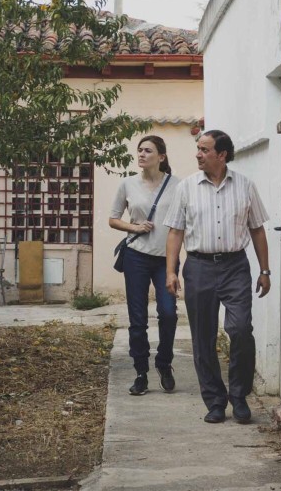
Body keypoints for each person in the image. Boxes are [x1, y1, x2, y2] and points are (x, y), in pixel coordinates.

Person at [163, 130, 271, 424]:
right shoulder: (186, 188)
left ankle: (239, 397)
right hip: (199, 267)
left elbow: (257, 229)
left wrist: (264, 270)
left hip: (235, 265)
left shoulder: (245, 186)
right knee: (203, 337)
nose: (198, 154)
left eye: (204, 149)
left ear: (221, 155)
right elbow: (175, 231)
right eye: (197, 149)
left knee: (240, 330)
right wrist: (171, 271)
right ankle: (214, 401)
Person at [108, 135, 179, 396]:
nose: (141, 154)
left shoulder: (177, 185)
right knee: (138, 320)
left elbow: (183, 223)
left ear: (161, 157)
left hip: (166, 259)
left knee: (169, 313)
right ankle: (140, 372)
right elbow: (113, 219)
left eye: (147, 151)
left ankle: (164, 363)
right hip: (136, 256)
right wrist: (134, 227)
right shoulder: (127, 184)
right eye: (139, 150)